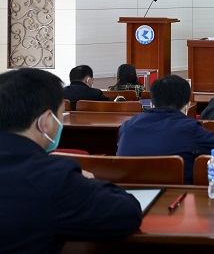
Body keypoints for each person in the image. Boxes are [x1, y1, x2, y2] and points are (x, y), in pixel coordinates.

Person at [0, 68, 142, 253]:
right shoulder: (53, 178)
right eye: (61, 115)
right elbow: (127, 213)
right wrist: (88, 182)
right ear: (46, 122)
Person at [117, 74, 214, 184]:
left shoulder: (127, 126)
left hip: (128, 197)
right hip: (176, 198)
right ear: (187, 106)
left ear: (151, 104)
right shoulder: (189, 129)